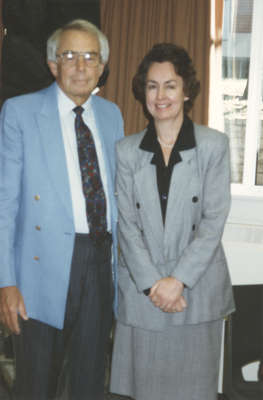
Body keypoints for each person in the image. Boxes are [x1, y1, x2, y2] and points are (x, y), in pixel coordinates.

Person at [0, 19, 124, 400]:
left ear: (102, 65)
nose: (81, 66)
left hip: (100, 261)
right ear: (53, 64)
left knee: (90, 381)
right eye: (70, 56)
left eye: (90, 56)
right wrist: (6, 283)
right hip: (41, 269)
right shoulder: (20, 112)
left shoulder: (111, 114)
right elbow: (5, 205)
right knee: (36, 384)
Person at [110, 43, 235, 400]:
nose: (160, 95)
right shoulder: (127, 150)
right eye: (152, 85)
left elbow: (213, 221)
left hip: (195, 294)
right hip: (145, 294)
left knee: (193, 391)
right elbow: (127, 226)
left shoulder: (214, 145)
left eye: (170, 85)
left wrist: (177, 281)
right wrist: (154, 285)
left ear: (186, 91)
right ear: (143, 92)